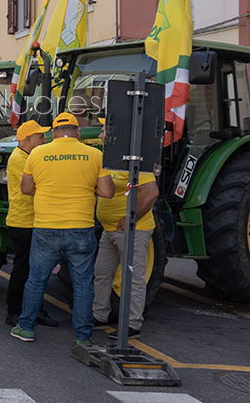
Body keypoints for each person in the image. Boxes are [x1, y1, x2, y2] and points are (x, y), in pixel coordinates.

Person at [10, 112, 114, 350]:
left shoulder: (37, 153)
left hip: (46, 226)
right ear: (77, 132)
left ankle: (25, 327)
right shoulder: (94, 155)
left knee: (36, 280)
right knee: (83, 284)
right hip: (81, 227)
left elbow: (26, 189)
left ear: (53, 133)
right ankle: (83, 335)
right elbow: (107, 192)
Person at [93, 117, 159, 340]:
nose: (100, 136)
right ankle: (100, 316)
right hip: (109, 230)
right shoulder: (106, 159)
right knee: (102, 274)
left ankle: (132, 324)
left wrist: (129, 219)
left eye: (104, 132)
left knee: (133, 277)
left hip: (133, 230)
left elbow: (151, 193)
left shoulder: (136, 162)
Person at [4, 120, 58, 329]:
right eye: (40, 137)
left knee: (33, 270)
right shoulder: (20, 159)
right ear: (28, 139)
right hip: (23, 222)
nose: (44, 140)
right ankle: (15, 311)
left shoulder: (26, 156)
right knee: (23, 269)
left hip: (29, 221)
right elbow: (35, 187)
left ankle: (32, 310)